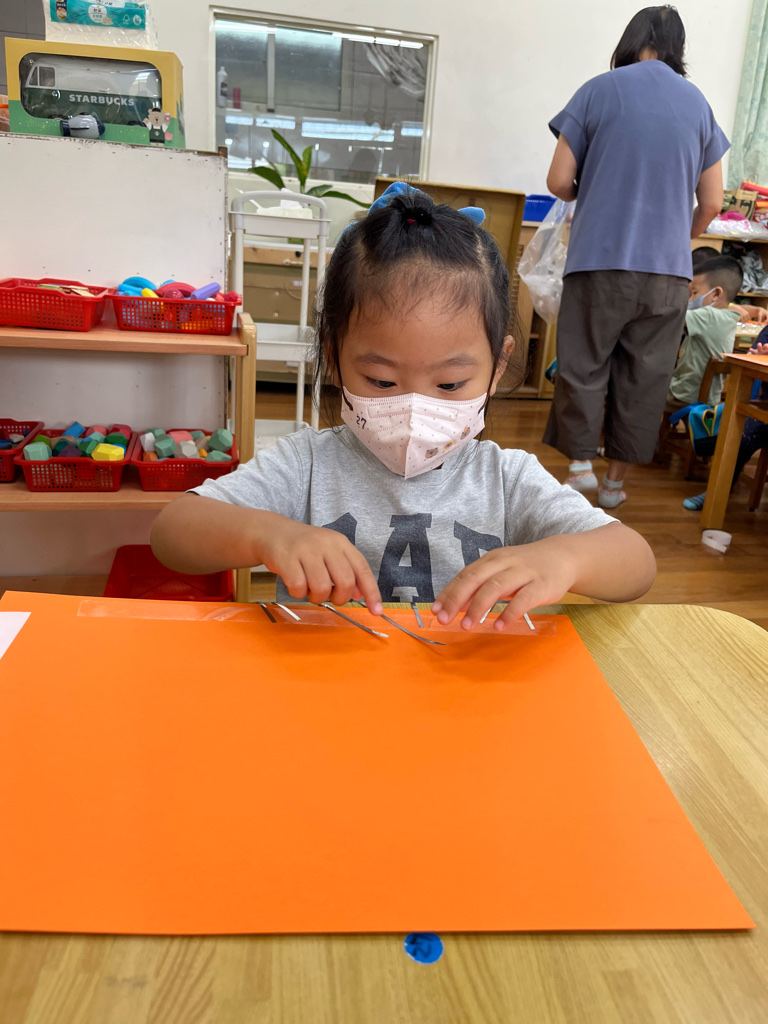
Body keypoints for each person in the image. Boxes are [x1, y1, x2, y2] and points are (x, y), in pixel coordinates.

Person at [151, 184, 656, 630]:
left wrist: (563, 560)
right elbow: (173, 533)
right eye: (382, 380)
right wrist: (268, 535)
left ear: (497, 366)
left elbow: (636, 563)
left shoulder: (505, 479)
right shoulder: (305, 465)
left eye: (450, 384)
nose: (415, 409)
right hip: (327, 683)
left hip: (462, 687)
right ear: (333, 356)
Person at [543, 5, 729, 509]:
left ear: (631, 40)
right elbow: (713, 202)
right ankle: (614, 483)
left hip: (598, 261)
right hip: (668, 274)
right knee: (644, 377)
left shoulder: (598, 90)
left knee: (584, 364)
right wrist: (678, 236)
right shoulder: (698, 105)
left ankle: (580, 467)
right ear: (678, 48)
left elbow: (558, 181)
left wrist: (589, 191)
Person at [683, 340, 768, 510]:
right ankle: (716, 492)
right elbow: (750, 356)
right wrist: (757, 357)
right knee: (738, 437)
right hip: (764, 407)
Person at [666, 256, 742, 412]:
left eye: (694, 293)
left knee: (639, 391)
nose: (690, 300)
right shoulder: (726, 317)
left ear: (716, 294)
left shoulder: (708, 315)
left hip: (685, 395)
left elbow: (671, 319)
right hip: (707, 396)